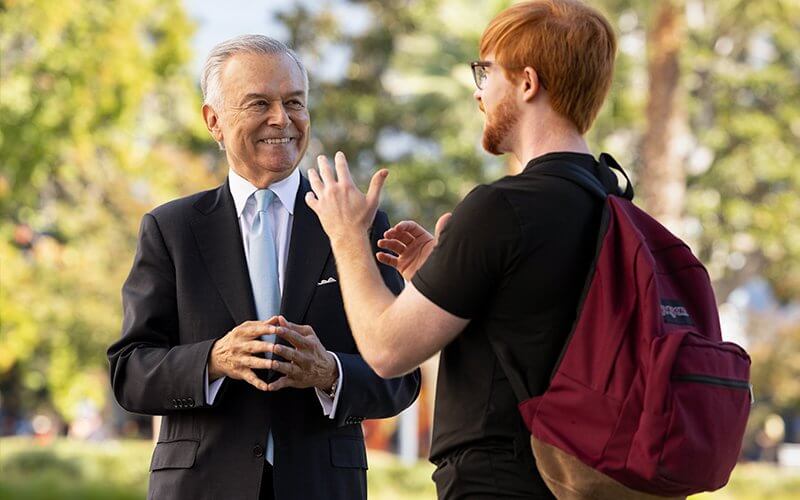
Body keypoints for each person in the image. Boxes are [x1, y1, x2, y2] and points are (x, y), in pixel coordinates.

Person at [304, 1, 618, 497]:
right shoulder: (613, 202)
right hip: (584, 481)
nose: (478, 92)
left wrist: (345, 236)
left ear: (527, 83)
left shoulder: (502, 208)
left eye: (486, 71)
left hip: (499, 483)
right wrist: (439, 279)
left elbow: (387, 351)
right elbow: (535, 333)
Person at [107, 35, 420, 500]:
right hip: (199, 486)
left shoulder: (358, 222)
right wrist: (212, 360)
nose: (282, 118)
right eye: (259, 103)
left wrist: (330, 373)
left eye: (294, 102)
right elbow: (129, 371)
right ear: (213, 120)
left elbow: (401, 378)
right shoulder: (170, 228)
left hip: (322, 485)